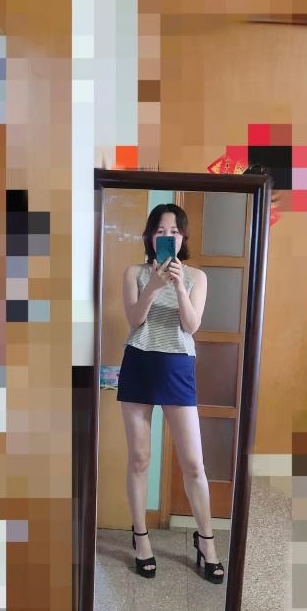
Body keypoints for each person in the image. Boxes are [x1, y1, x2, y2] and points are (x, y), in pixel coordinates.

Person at [116, 203, 225, 584]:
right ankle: (140, 536)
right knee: (139, 458)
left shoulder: (196, 277)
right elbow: (135, 320)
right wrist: (153, 286)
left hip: (177, 366)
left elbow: (191, 326)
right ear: (150, 236)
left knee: (194, 463)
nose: (167, 237)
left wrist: (178, 286)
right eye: (160, 231)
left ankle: (206, 541)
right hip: (139, 362)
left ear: (183, 237)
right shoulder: (134, 273)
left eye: (174, 231)